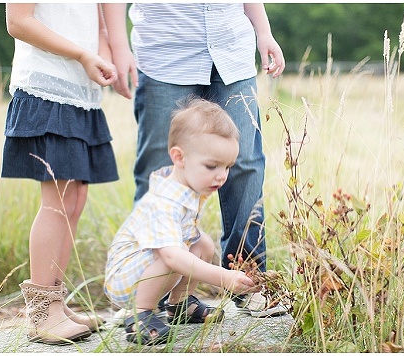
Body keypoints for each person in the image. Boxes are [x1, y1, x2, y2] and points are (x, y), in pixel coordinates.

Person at [103, 3, 287, 317]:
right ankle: (145, 302)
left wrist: (264, 31)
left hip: (232, 50)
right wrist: (117, 45)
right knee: (159, 166)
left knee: (244, 164)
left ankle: (248, 282)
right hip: (165, 51)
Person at [2, 3, 118, 345]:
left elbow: (98, 23)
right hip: (47, 86)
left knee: (75, 199)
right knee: (58, 199)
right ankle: (41, 315)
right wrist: (83, 54)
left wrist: (103, 54)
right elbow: (18, 22)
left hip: (80, 91)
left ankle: (54, 303)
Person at [104, 99, 260, 345]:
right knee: (173, 257)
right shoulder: (164, 201)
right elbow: (172, 257)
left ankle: (179, 305)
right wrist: (222, 277)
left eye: (228, 166)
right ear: (179, 157)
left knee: (203, 244)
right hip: (125, 279)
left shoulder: (187, 184)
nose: (222, 175)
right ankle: (140, 315)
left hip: (148, 266)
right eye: (212, 166)